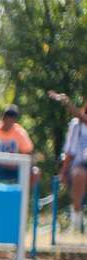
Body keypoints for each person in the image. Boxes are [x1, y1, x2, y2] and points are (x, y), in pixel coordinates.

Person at [50, 91, 87, 232]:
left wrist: (68, 103)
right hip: (80, 165)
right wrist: (64, 171)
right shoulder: (76, 125)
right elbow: (69, 151)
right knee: (79, 175)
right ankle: (76, 220)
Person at [0, 104, 39, 186]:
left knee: (35, 171)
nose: (10, 119)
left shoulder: (19, 132)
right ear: (3, 117)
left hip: (14, 168)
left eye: (13, 117)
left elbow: (28, 153)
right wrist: (4, 163)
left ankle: (24, 193)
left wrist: (16, 164)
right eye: (8, 116)